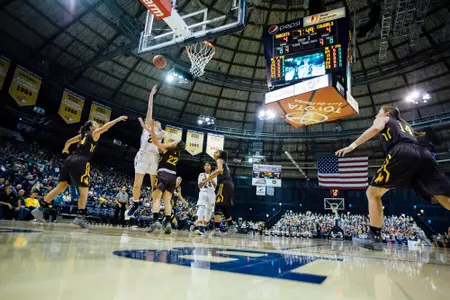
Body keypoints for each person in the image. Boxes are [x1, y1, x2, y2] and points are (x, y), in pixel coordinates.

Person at [335, 105, 450, 250]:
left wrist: (352, 146)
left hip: (402, 152)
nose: (376, 116)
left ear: (386, 113)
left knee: (372, 193)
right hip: (423, 153)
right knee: (442, 196)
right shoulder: (405, 124)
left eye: (378, 113)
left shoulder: (385, 118)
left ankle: (374, 236)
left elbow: (376, 128)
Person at [32, 116, 128, 228]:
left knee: (61, 186)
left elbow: (68, 142)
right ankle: (80, 217)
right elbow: (105, 127)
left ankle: (40, 209)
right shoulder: (94, 133)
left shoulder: (82, 135)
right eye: (96, 123)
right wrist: (117, 119)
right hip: (81, 161)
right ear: (91, 127)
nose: (98, 125)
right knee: (84, 191)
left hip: (70, 160)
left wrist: (65, 150)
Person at [138, 118, 185, 234]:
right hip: (173, 176)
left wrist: (153, 130)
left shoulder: (167, 148)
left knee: (156, 199)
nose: (173, 140)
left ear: (175, 144)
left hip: (163, 173)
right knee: (168, 201)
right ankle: (168, 222)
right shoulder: (177, 153)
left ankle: (155, 222)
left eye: (175, 141)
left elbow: (155, 142)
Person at [131, 86, 166, 212]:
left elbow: (156, 137)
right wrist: (151, 95)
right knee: (137, 184)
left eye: (157, 121)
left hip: (154, 158)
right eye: (153, 120)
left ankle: (154, 207)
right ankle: (135, 203)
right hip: (143, 155)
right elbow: (150, 108)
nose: (155, 121)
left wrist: (146, 128)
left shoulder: (163, 133)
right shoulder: (147, 125)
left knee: (154, 186)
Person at [207, 150, 236, 236]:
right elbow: (220, 171)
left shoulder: (219, 160)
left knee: (218, 206)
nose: (214, 153)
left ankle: (216, 229)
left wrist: (209, 177)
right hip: (229, 184)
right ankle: (231, 226)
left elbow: (219, 170)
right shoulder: (225, 164)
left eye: (216, 152)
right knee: (223, 207)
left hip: (224, 183)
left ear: (220, 155)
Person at [195, 162, 217, 235]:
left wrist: (211, 178)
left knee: (210, 210)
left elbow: (215, 186)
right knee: (201, 206)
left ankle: (204, 224)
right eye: (205, 165)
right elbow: (199, 186)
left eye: (208, 165)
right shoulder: (201, 175)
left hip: (211, 193)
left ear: (210, 167)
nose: (207, 166)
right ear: (204, 167)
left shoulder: (214, 175)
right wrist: (206, 180)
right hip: (203, 192)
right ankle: (200, 226)